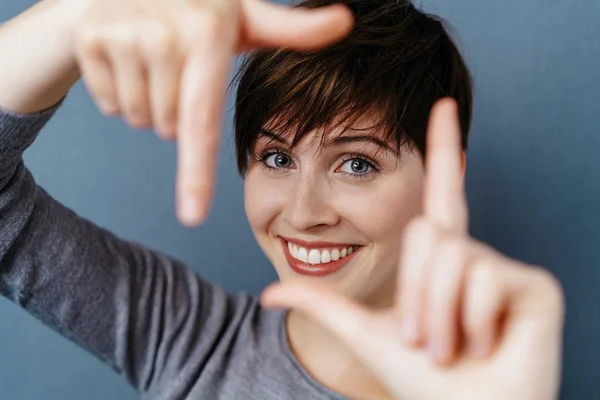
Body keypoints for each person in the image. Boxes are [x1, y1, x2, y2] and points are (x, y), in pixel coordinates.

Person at [0, 0, 565, 399]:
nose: (301, 213)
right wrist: (78, 14)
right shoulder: (188, 339)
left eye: (357, 163)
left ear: (446, 173)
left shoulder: (494, 384)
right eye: (277, 158)